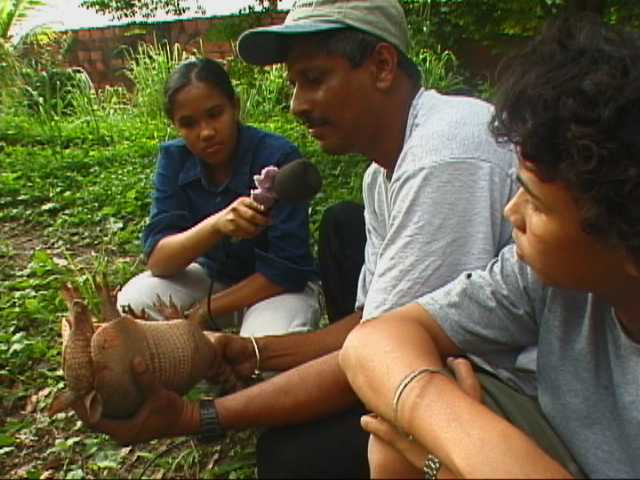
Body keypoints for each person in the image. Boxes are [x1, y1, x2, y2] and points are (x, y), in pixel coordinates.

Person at [74, 1, 519, 477]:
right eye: (294, 85)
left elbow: (383, 354)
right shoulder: (379, 175)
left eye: (313, 79)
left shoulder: (443, 158)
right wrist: (252, 351)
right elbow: (368, 327)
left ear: (383, 66)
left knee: (291, 459)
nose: (297, 105)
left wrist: (198, 416)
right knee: (344, 227)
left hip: (509, 381)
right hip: (420, 342)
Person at [339, 14, 640, 478]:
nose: (511, 212)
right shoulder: (543, 278)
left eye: (537, 204)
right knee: (394, 446)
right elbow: (373, 342)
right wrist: (474, 446)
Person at [115, 57, 321, 338]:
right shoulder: (175, 159)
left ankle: (221, 348)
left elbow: (288, 271)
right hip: (214, 278)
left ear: (235, 106)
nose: (206, 132)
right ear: (175, 125)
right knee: (134, 303)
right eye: (188, 124)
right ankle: (198, 355)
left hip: (274, 290)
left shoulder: (277, 157)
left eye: (215, 114)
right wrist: (216, 225)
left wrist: (206, 309)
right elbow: (160, 261)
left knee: (266, 345)